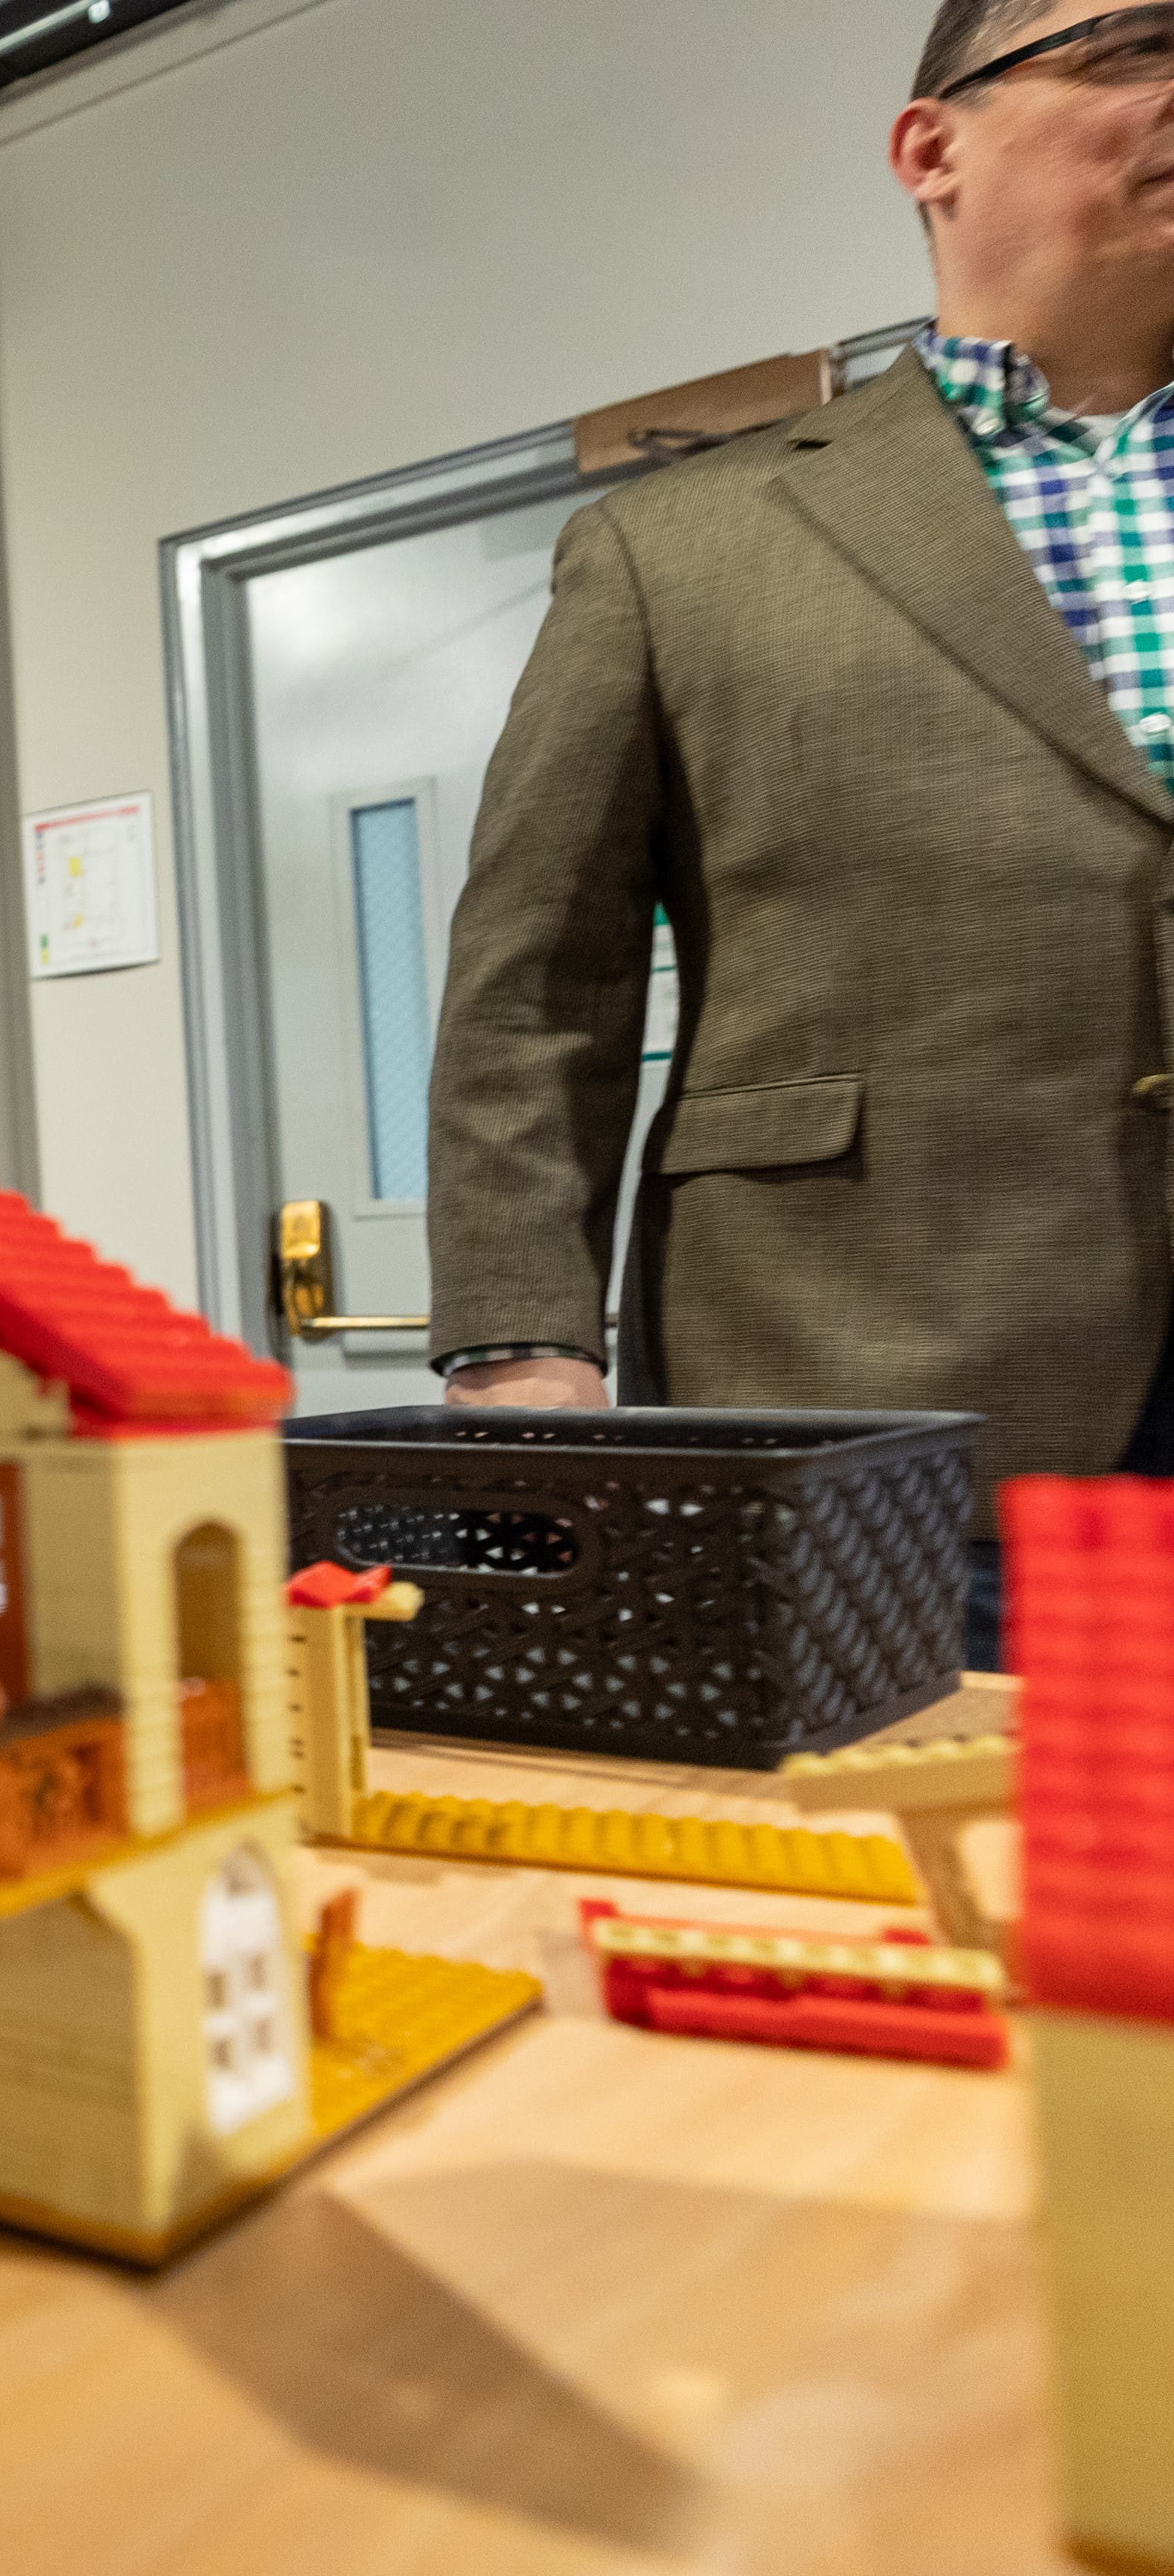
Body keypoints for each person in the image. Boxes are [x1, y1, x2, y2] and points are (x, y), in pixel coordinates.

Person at [426, 0, 1174, 1659]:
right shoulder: (678, 548)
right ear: (932, 147)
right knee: (910, 1903)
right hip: (880, 1404)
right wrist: (520, 1344)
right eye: (1133, 40)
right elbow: (536, 978)